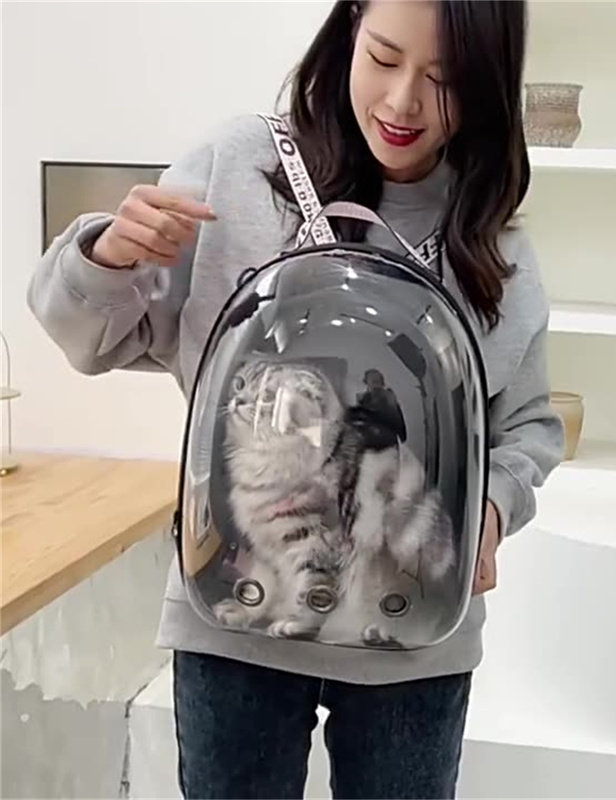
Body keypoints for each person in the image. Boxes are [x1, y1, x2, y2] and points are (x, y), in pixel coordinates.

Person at [28, 1, 564, 797]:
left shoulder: (492, 244)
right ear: (350, 28)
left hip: (412, 635)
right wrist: (104, 257)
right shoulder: (237, 168)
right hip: (234, 613)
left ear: (486, 83)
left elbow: (528, 427)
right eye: (384, 57)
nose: (403, 102)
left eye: (444, 80)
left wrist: (492, 506)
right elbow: (88, 341)